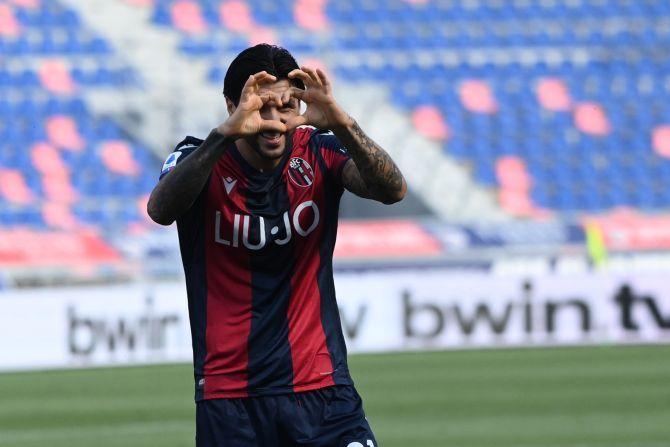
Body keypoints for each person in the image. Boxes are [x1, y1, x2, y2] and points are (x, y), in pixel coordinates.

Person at [147, 44, 406, 447]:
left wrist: (339, 121)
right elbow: (161, 209)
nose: (274, 123)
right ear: (233, 105)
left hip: (324, 391)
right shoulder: (197, 158)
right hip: (231, 401)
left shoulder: (319, 151)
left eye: (285, 108)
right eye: (260, 109)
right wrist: (224, 135)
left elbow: (392, 190)